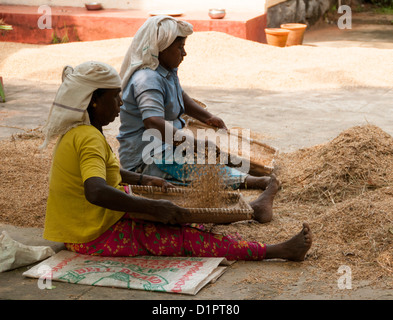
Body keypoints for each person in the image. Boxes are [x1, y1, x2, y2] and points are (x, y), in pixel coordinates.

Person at [41, 60, 312, 262]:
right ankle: (275, 251)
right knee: (186, 235)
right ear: (94, 101)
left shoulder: (83, 132)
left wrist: (143, 180)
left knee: (183, 211)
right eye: (114, 97)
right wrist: (151, 206)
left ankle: (249, 210)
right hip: (92, 235)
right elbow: (96, 190)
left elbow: (107, 172)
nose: (121, 103)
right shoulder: (87, 137)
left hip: (90, 225)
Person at [117, 15, 271, 190]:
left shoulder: (166, 70)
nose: (184, 53)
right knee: (207, 170)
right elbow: (153, 122)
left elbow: (180, 95)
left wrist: (208, 117)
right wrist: (194, 144)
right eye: (179, 48)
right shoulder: (147, 79)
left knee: (213, 156)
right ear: (161, 49)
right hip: (147, 158)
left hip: (166, 147)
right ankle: (258, 182)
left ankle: (244, 174)